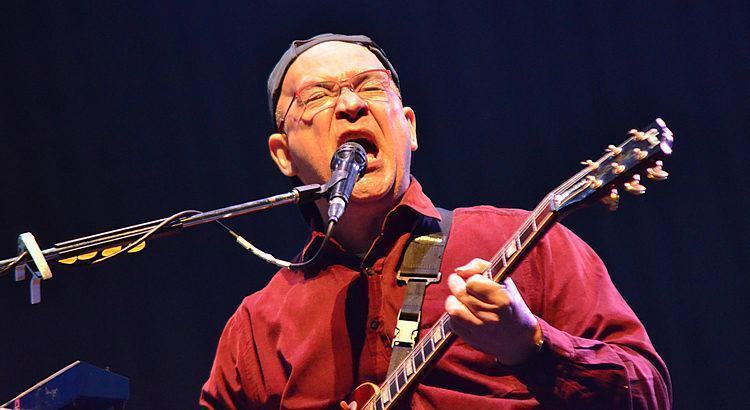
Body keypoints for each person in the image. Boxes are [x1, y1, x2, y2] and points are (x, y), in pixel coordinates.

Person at [200, 34, 671, 409]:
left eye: (370, 86)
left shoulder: (520, 241)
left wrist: (530, 343)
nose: (350, 105)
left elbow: (649, 395)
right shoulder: (257, 329)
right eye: (318, 96)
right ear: (283, 154)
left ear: (410, 127)